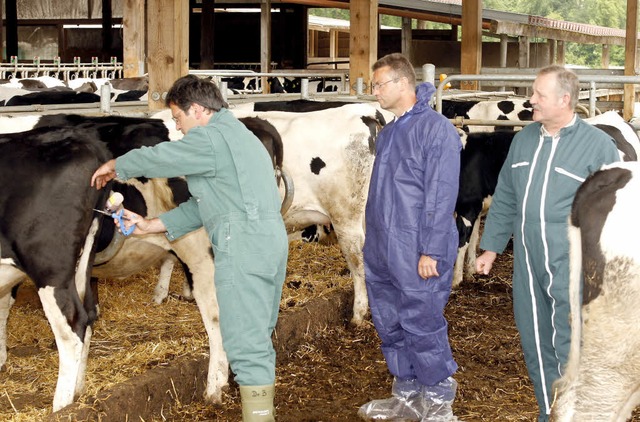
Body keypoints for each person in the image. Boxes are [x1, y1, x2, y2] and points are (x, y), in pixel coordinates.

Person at [90, 74, 288, 422]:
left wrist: (115, 165)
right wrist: (153, 225)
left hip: (242, 244)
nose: (178, 128)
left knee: (244, 343)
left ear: (197, 110)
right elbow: (205, 204)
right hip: (265, 240)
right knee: (257, 335)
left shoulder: (213, 137)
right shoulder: (238, 136)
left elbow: (164, 157)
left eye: (178, 119)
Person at [475, 65, 620, 421]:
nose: (531, 100)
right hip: (528, 257)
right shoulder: (525, 139)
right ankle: (550, 411)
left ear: (564, 99)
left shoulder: (598, 146)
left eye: (539, 94)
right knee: (534, 337)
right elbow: (506, 195)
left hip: (572, 257)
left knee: (569, 340)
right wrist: (491, 247)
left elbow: (616, 208)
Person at [359, 53, 461, 421]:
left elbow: (440, 193)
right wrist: (371, 243)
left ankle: (436, 400)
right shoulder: (388, 133)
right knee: (389, 318)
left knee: (421, 319)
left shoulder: (436, 130)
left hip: (418, 247)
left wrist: (430, 250)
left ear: (402, 84)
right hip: (384, 245)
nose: (374, 92)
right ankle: (405, 394)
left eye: (379, 84)